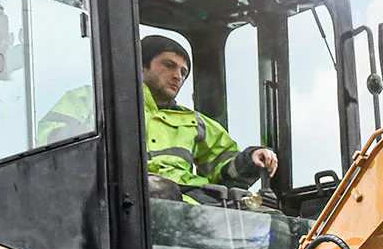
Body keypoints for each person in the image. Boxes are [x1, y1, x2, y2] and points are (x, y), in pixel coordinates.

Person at [36, 35, 280, 205]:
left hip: (192, 204)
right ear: (141, 67)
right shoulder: (92, 100)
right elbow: (54, 140)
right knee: (159, 192)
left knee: (269, 221)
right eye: (169, 65)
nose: (177, 76)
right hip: (126, 201)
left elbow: (222, 165)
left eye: (183, 72)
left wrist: (251, 159)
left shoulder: (194, 121)